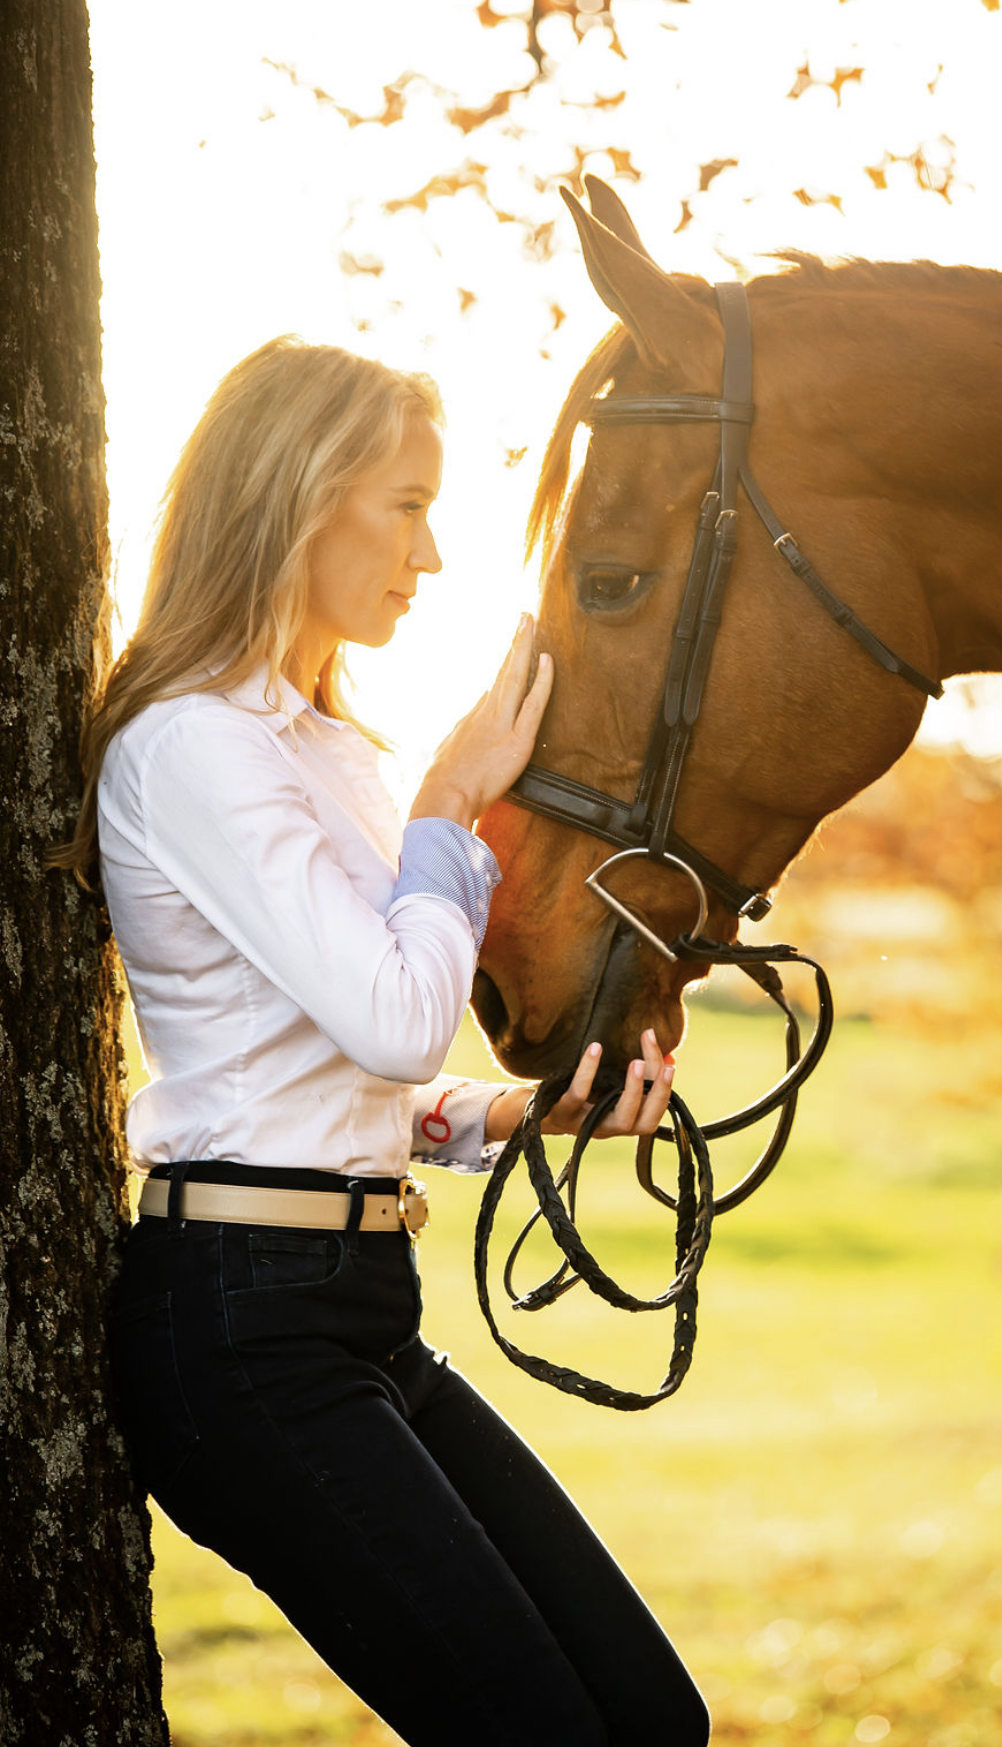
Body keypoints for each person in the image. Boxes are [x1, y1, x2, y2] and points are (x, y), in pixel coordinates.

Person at [56, 336, 710, 1746]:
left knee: (651, 1718)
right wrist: (451, 806)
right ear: (299, 496)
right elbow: (396, 1015)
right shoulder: (190, 748)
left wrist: (505, 1118)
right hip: (238, 1330)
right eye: (404, 504)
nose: (431, 553)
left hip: (358, 1306)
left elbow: (334, 1064)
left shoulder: (327, 755)